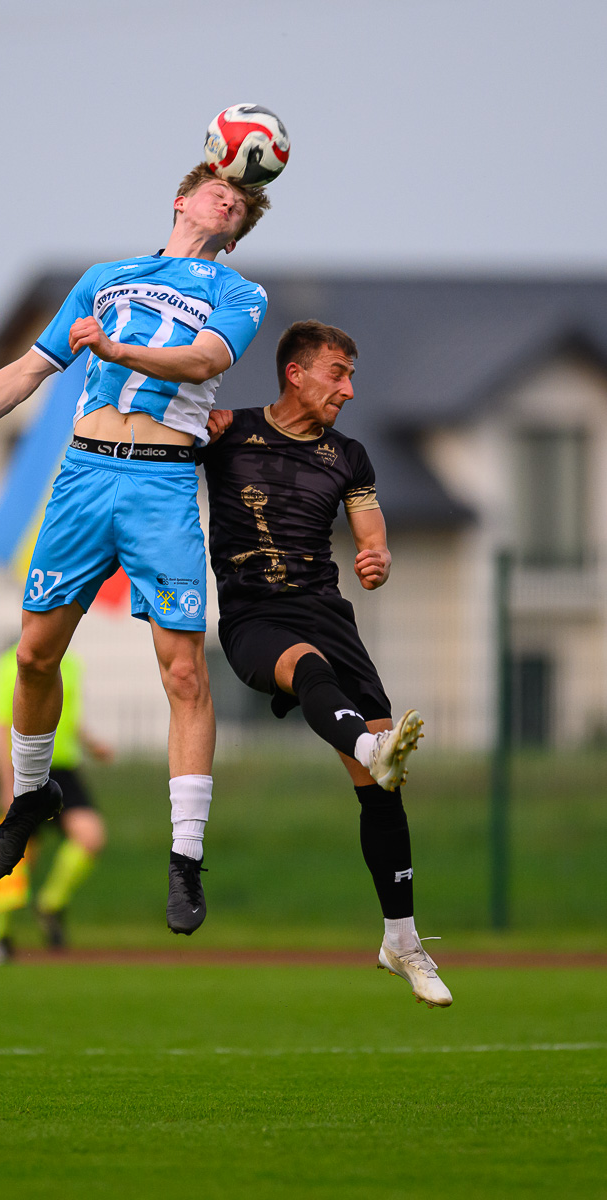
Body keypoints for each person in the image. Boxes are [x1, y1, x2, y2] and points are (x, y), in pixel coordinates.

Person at [0, 164, 271, 936]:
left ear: (237, 233)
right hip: (83, 476)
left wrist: (116, 348)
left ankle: (185, 856)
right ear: (181, 199)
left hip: (162, 484)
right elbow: (26, 371)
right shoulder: (105, 279)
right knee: (34, 656)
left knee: (183, 670)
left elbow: (203, 361)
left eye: (241, 203)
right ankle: (32, 795)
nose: (228, 200)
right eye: (218, 189)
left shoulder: (238, 293)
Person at [200, 320, 452, 1008]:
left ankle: (401, 941)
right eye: (337, 374)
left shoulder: (350, 456)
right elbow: (159, 440)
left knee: (382, 794)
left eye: (350, 377)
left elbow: (370, 529)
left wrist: (379, 556)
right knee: (307, 668)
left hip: (328, 614)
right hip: (255, 617)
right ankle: (370, 746)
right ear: (296, 373)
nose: (348, 389)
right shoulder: (228, 431)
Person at [0, 644, 111, 963]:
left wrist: (91, 744)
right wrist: (7, 783)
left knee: (90, 835)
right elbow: (1, 727)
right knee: (19, 851)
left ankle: (50, 904)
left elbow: (66, 715)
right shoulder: (9, 666)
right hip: (24, 768)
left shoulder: (71, 663)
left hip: (64, 767)